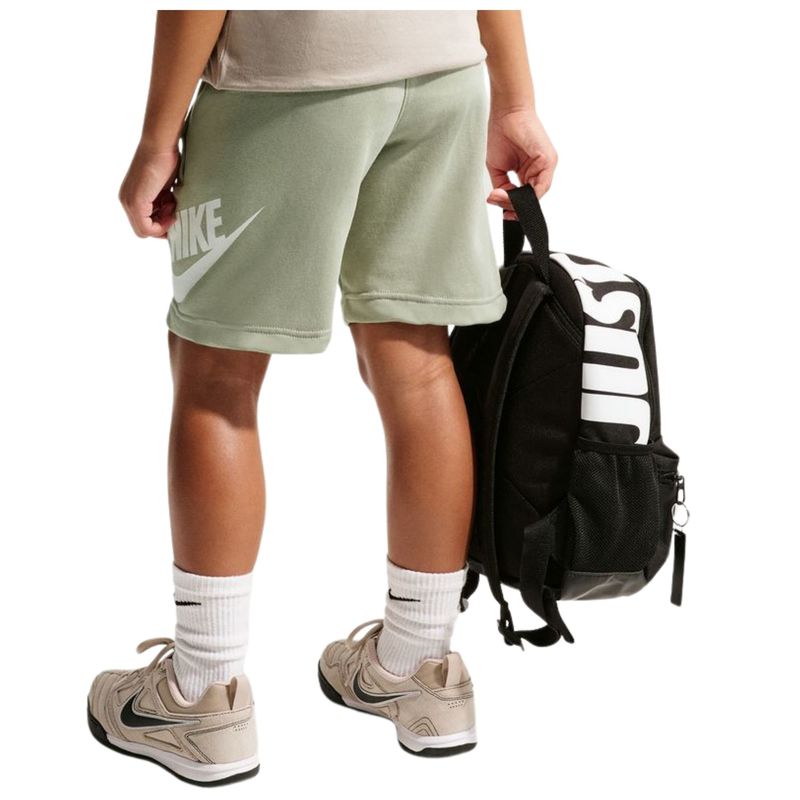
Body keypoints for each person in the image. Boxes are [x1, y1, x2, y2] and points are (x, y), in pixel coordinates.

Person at [87, 10, 557, 785]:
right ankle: (418, 666)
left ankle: (200, 692)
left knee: (217, 374)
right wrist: (514, 99)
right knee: (418, 363)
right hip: (443, 73)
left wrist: (156, 137)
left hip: (289, 80)